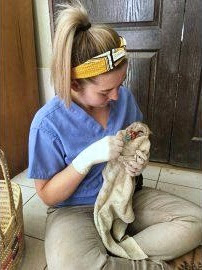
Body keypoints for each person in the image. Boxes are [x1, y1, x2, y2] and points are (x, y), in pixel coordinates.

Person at [28, 1, 202, 269]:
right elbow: (48, 196)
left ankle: (115, 255)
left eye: (120, 84)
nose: (117, 96)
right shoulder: (46, 124)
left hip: (126, 196)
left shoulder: (123, 99)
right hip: (77, 210)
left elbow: (138, 138)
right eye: (104, 92)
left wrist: (139, 158)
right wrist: (83, 160)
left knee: (195, 221)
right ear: (74, 83)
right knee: (69, 263)